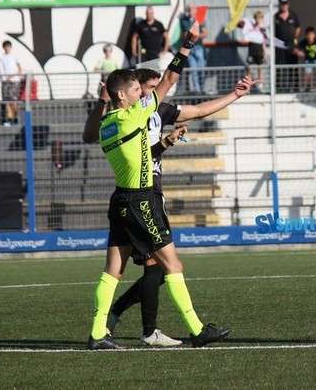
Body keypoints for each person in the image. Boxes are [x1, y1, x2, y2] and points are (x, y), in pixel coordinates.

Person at [83, 67, 258, 347]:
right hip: (142, 200)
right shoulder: (134, 115)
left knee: (112, 270)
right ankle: (197, 330)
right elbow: (167, 80)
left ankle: (97, 333)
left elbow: (135, 154)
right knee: (172, 265)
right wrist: (186, 46)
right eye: (137, 91)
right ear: (121, 95)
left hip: (120, 201)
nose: (142, 95)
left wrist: (164, 141)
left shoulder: (107, 125)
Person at [0, 35, 23, 126]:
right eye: (5, 47)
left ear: (10, 47)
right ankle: (9, 119)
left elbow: (20, 69)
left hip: (14, 81)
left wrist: (12, 75)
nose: (7, 48)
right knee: (6, 101)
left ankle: (16, 119)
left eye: (8, 47)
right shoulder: (2, 56)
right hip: (4, 81)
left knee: (14, 101)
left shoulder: (14, 56)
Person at [179, 3, 208, 94]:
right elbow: (182, 35)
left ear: (195, 10)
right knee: (193, 70)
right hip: (190, 49)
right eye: (189, 9)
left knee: (201, 70)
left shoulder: (200, 20)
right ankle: (197, 91)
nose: (191, 11)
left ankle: (201, 88)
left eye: (192, 9)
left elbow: (205, 33)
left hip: (198, 48)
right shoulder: (184, 21)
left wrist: (194, 36)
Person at [274, 0, 301, 92]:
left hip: (291, 45)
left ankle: (294, 87)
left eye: (286, 3)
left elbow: (298, 27)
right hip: (280, 46)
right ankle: (279, 87)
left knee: (292, 65)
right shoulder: (276, 16)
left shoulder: (293, 15)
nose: (284, 5)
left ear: (288, 4)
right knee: (279, 66)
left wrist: (294, 37)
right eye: (282, 4)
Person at [239, 11, 267, 91]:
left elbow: (263, 43)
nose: (259, 20)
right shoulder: (251, 28)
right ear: (255, 19)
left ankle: (260, 86)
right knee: (250, 70)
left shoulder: (262, 30)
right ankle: (247, 88)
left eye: (260, 18)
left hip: (259, 52)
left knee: (260, 69)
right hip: (252, 51)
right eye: (257, 18)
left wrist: (264, 54)